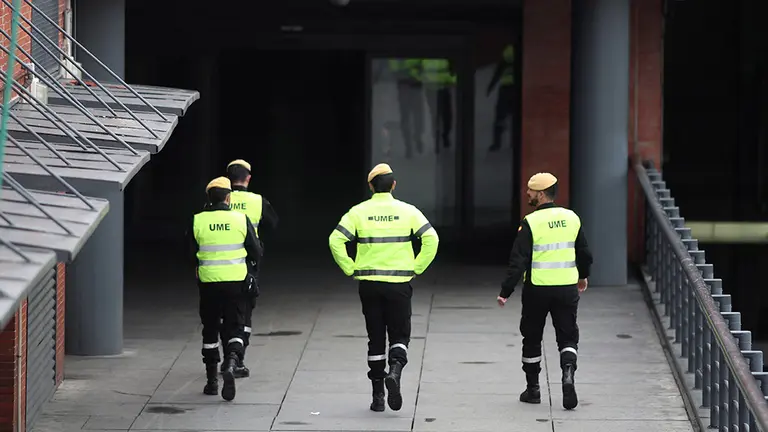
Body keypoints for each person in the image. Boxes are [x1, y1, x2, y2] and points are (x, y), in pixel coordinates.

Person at [328, 163, 439, 412]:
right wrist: (416, 267)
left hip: (369, 284)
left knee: (375, 338)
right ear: (394, 186)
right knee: (400, 334)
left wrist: (350, 267)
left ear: (370, 186)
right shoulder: (408, 211)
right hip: (399, 283)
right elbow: (432, 238)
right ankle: (396, 371)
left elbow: (335, 239)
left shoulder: (358, 212)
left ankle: (378, 397)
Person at [496, 172, 593, 410]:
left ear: (540, 194)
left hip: (537, 289)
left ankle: (533, 390)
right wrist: (582, 276)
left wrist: (505, 291)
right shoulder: (572, 218)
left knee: (531, 337)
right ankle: (568, 374)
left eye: (530, 191)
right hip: (566, 288)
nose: (527, 194)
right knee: (568, 336)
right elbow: (584, 253)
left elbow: (517, 261)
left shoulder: (530, 222)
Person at [188, 176, 262, 401]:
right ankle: (231, 362)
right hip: (236, 284)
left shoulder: (197, 221)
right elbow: (256, 251)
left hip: (209, 283)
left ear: (208, 198)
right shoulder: (241, 219)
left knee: (210, 329)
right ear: (229, 197)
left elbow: (187, 253)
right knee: (236, 327)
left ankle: (211, 382)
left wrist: (198, 269)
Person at [221, 159, 279, 378]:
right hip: (247, 265)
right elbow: (273, 224)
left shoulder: (216, 198)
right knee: (244, 312)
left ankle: (226, 356)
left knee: (223, 314)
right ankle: (237, 359)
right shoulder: (257, 201)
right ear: (248, 178)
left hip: (216, 266)